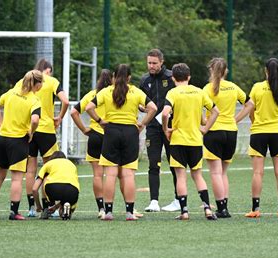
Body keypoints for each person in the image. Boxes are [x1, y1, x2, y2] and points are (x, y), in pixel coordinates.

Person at [85, 64, 157, 221]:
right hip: (130, 133)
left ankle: (108, 212)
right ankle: (130, 212)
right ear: (129, 77)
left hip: (111, 132)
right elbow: (153, 108)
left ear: (114, 76)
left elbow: (89, 107)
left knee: (110, 174)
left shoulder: (106, 91)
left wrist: (100, 121)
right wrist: (142, 123)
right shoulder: (136, 91)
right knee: (128, 174)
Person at [162, 63, 219, 220]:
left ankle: (184, 212)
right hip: (195, 140)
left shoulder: (172, 92)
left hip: (178, 140)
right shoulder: (199, 92)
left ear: (173, 78)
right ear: (189, 77)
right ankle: (207, 209)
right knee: (198, 175)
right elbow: (216, 111)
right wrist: (205, 128)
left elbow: (165, 113)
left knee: (181, 177)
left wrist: (166, 129)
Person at [235, 58, 278, 218]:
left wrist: (253, 121)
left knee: (258, 172)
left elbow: (250, 109)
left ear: (265, 71)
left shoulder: (257, 88)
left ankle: (256, 209)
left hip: (258, 132)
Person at [0, 70, 42, 220]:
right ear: (37, 84)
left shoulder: (11, 92)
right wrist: (31, 131)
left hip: (2, 139)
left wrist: (0, 121)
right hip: (18, 141)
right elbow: (35, 120)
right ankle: (14, 212)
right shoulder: (34, 100)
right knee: (16, 178)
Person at [16, 59, 69, 217]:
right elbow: (65, 101)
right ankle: (49, 207)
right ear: (47, 70)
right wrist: (59, 117)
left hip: (29, 130)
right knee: (49, 170)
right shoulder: (52, 81)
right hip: (46, 130)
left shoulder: (23, 82)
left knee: (30, 171)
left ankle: (32, 208)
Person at [203, 57, 248, 218]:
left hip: (214, 132)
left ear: (211, 70)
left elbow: (197, 108)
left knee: (215, 173)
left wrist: (204, 123)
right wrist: (236, 119)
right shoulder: (233, 87)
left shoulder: (208, 88)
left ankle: (221, 208)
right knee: (223, 172)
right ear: (225, 71)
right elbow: (250, 104)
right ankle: (224, 207)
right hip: (231, 132)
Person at [139, 49, 178, 212]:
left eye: (155, 63)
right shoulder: (144, 80)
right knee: (153, 164)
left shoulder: (171, 77)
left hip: (170, 127)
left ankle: (178, 199)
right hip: (153, 128)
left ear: (162, 62)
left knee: (174, 163)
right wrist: (142, 108)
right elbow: (141, 102)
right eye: (149, 63)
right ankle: (154, 201)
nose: (152, 66)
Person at [71, 69, 112, 218]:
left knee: (97, 175)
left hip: (95, 136)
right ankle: (115, 208)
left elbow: (73, 112)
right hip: (111, 136)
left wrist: (84, 129)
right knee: (113, 175)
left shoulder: (92, 95)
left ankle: (101, 209)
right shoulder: (114, 93)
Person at [32, 151, 80, 220]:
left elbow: (34, 189)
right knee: (68, 195)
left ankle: (45, 209)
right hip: (73, 192)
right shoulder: (72, 164)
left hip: (53, 189)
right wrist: (55, 207)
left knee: (45, 178)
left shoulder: (48, 164)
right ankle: (66, 209)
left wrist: (38, 206)